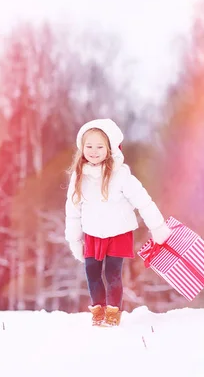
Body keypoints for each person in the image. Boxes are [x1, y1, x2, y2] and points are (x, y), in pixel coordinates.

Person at [64, 118, 171, 327]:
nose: (94, 151)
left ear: (110, 148)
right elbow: (73, 211)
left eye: (99, 146)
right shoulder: (78, 177)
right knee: (92, 273)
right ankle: (98, 310)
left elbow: (143, 201)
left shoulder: (121, 175)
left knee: (113, 274)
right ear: (82, 148)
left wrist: (157, 227)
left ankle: (113, 312)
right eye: (89, 146)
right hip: (93, 234)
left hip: (118, 233)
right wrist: (75, 240)